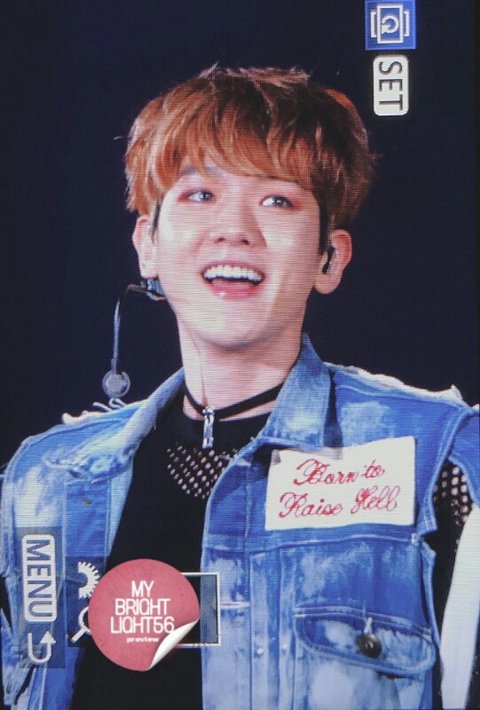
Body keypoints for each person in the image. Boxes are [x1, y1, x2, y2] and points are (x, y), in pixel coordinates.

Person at [1, 66, 478, 710]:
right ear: (148, 244)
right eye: (200, 194)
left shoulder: (440, 462)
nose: (235, 229)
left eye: (277, 200)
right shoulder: (44, 480)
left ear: (329, 258)